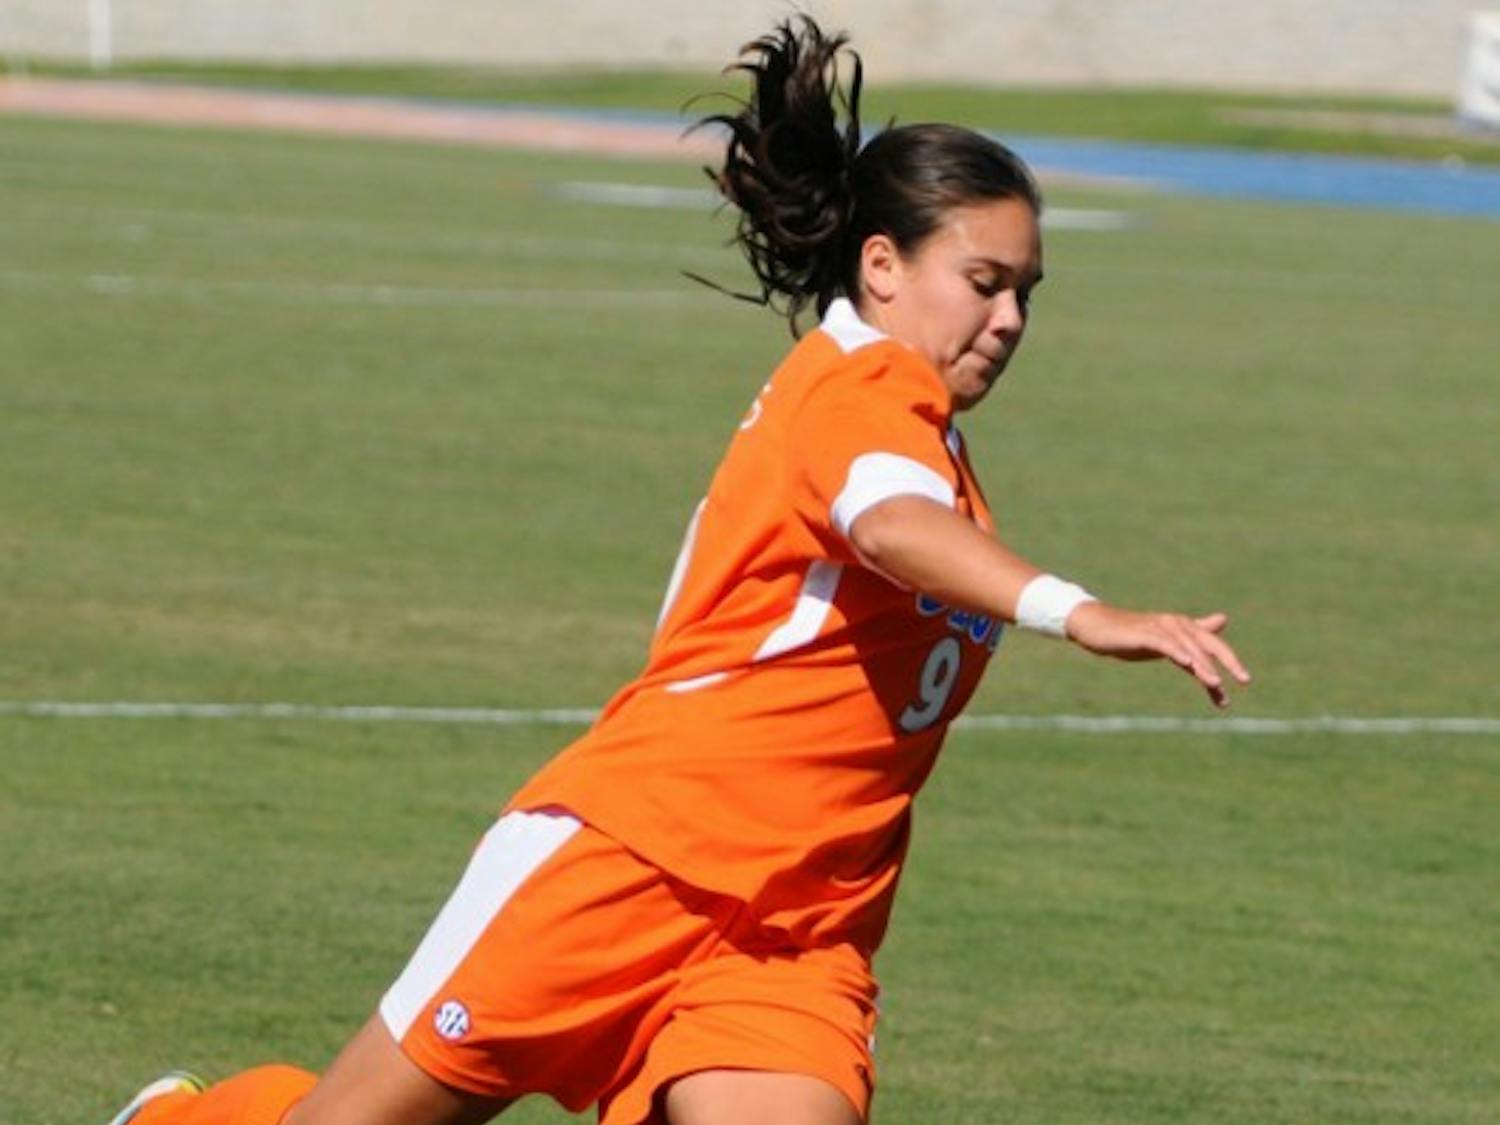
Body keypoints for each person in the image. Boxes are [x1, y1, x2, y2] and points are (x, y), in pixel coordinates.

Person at [107, 16, 1249, 1125]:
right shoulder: (852, 393)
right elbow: (890, 524)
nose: (1009, 319)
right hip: (632, 862)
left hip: (794, 931)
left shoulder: (928, 432)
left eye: (1027, 295)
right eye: (986, 280)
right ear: (883, 264)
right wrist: (1082, 612)